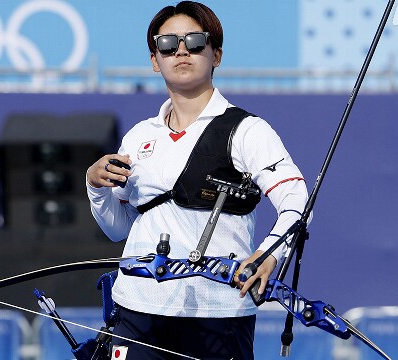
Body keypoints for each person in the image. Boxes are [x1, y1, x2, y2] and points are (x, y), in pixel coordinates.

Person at [86, 2, 308, 358]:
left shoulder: (248, 131)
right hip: (137, 306)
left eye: (194, 40)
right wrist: (95, 187)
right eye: (168, 44)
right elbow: (118, 229)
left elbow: (298, 202)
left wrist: (269, 255)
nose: (182, 50)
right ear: (155, 60)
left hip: (217, 311)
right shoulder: (139, 136)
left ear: (216, 54)